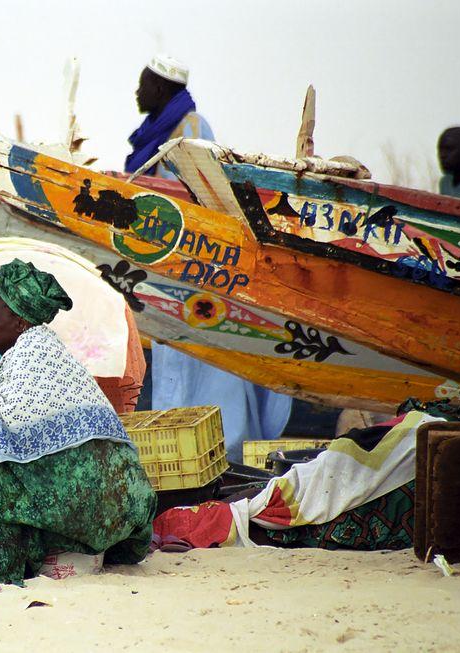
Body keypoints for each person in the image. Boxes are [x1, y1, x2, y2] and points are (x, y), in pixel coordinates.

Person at [0, 260, 157, 584]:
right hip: (118, 517)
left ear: (20, 321)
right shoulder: (53, 350)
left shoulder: (24, 356)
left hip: (76, 511)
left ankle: (2, 564)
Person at [125, 54, 292, 459]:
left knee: (208, 370)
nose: (137, 91)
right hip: (170, 273)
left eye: (144, 83)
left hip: (198, 273)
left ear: (163, 88)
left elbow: (197, 203)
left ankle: (224, 451)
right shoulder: (158, 132)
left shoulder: (193, 131)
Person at [125, 54, 215, 179]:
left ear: (159, 89)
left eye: (142, 85)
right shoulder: (149, 129)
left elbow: (187, 187)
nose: (138, 92)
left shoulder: (192, 125)